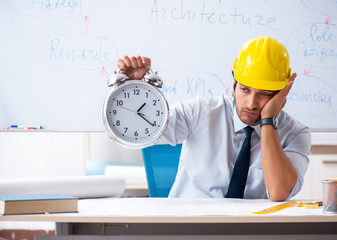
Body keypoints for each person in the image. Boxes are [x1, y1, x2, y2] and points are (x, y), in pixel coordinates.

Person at [116, 36, 311, 201]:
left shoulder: (295, 133)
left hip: (246, 230)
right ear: (234, 84)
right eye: (245, 89)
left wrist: (267, 120)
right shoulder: (201, 111)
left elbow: (279, 192)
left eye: (264, 94)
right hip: (186, 225)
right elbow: (139, 134)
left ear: (281, 94)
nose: (251, 103)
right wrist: (136, 90)